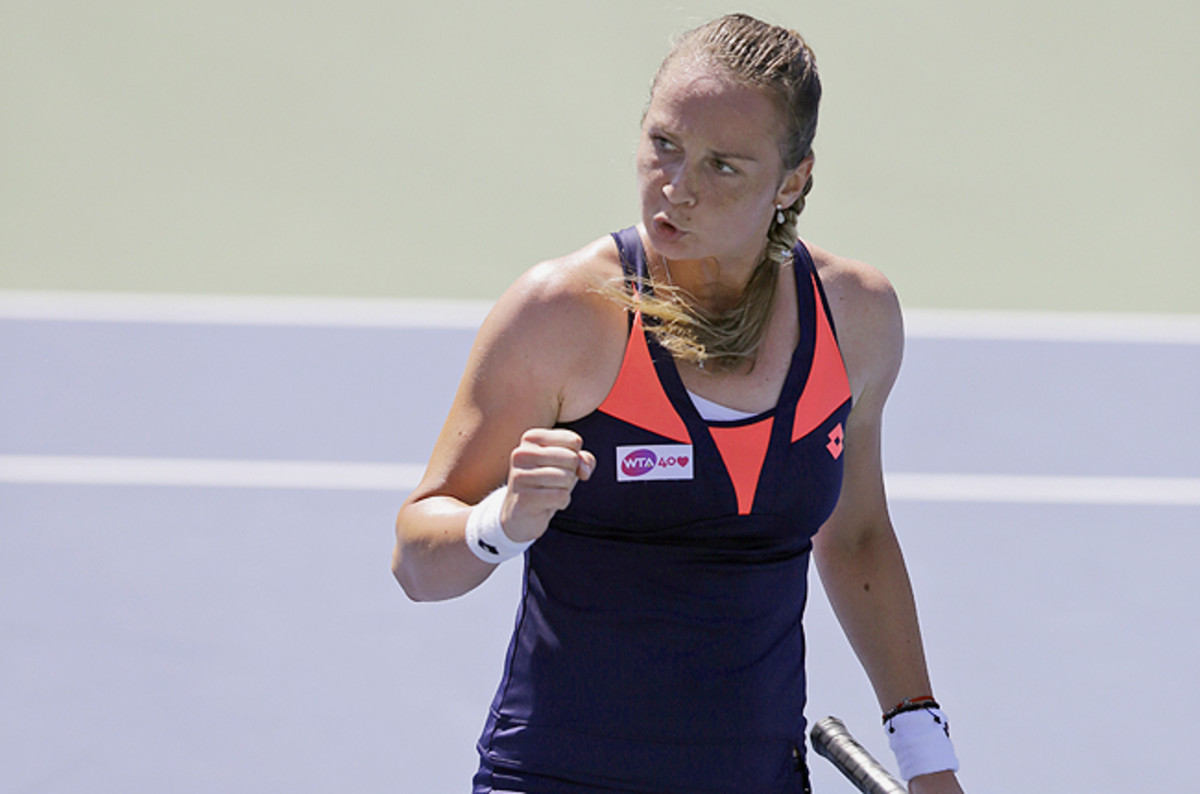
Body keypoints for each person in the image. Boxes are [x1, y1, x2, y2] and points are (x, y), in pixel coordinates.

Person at [393, 13, 965, 794]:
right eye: (664, 144)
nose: (678, 188)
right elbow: (417, 564)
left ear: (793, 180)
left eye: (723, 166)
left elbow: (858, 537)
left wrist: (929, 762)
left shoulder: (854, 320)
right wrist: (502, 524)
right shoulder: (563, 315)